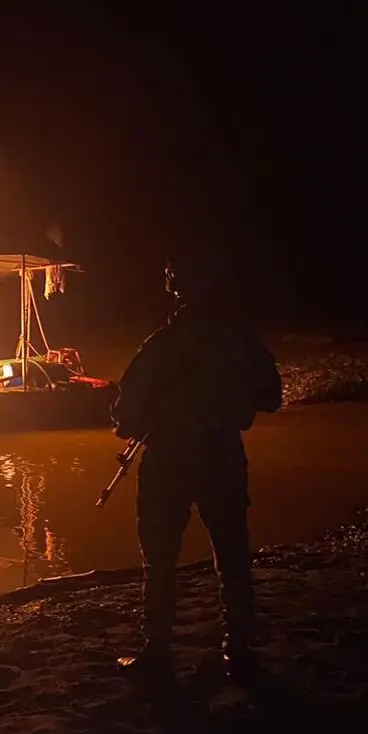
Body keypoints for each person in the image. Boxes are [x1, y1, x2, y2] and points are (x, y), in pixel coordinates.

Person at [111, 252, 282, 682]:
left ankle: (157, 648)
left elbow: (123, 414)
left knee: (161, 559)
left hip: (168, 463)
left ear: (176, 291)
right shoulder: (239, 343)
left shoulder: (160, 346)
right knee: (231, 554)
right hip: (221, 457)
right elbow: (271, 397)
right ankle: (240, 646)